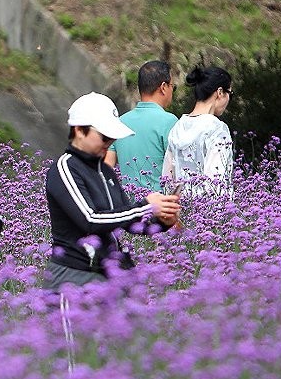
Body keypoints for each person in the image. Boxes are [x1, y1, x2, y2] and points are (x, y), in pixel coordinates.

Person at [44, 92, 180, 288]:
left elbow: (125, 219)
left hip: (108, 275)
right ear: (80, 130)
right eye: (105, 137)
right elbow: (90, 219)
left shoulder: (105, 171)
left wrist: (161, 221)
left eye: (112, 138)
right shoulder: (65, 168)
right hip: (74, 278)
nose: (109, 143)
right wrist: (146, 207)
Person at [163, 65, 235, 197]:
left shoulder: (178, 127)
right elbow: (216, 183)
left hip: (181, 209)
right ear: (219, 92)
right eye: (230, 93)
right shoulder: (217, 129)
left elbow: (167, 180)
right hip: (209, 213)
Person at [107, 60, 179, 190]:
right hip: (159, 206)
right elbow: (177, 169)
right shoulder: (169, 121)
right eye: (172, 86)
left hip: (128, 206)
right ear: (163, 87)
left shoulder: (120, 122)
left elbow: (107, 168)